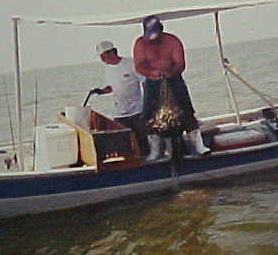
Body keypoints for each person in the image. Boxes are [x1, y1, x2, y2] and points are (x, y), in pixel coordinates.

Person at [133, 15, 210, 160]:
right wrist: (151, 73)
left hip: (174, 79)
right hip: (152, 82)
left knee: (187, 113)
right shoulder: (140, 44)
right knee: (148, 116)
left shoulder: (172, 41)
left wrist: (171, 72)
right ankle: (155, 151)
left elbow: (180, 63)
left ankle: (199, 146)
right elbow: (139, 65)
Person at [90, 40, 149, 155]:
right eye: (101, 56)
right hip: (119, 112)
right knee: (123, 141)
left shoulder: (131, 63)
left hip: (137, 110)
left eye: (103, 56)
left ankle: (146, 159)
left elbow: (145, 83)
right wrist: (101, 91)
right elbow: (111, 88)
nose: (102, 59)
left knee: (142, 139)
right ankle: (130, 160)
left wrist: (148, 104)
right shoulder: (108, 69)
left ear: (112, 52)